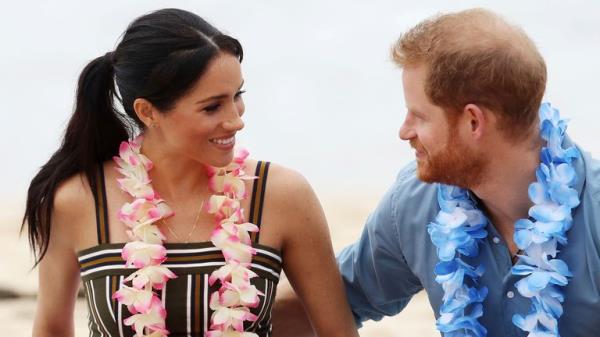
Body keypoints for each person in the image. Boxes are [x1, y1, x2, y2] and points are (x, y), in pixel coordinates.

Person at [23, 8, 358, 337]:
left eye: (237, 96)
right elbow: (51, 329)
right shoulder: (78, 199)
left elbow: (337, 332)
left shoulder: (282, 195)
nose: (236, 119)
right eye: (212, 106)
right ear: (148, 112)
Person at [273, 8, 600, 337]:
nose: (404, 131)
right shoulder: (417, 202)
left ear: (473, 121)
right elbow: (331, 300)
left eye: (419, 116)